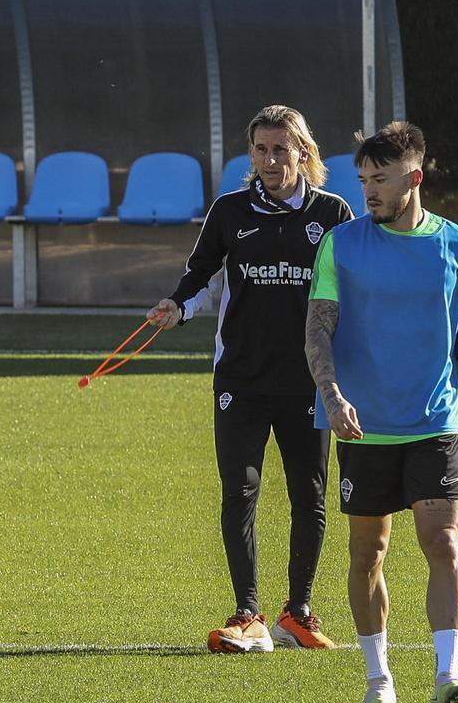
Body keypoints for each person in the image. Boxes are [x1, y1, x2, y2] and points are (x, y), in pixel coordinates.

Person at [304, 121, 458, 703]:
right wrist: (332, 396)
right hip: (363, 426)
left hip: (436, 422)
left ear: (414, 178)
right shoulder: (342, 244)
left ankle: (446, 676)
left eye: (380, 180)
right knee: (368, 552)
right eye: (363, 181)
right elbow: (318, 327)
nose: (370, 192)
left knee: (443, 542)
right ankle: (378, 676)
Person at [147, 105, 353, 653]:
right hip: (240, 377)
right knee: (239, 492)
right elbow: (199, 277)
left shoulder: (333, 214)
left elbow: (352, 291)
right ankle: (247, 613)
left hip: (309, 381)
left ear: (303, 153)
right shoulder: (230, 211)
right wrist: (176, 307)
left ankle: (299, 612)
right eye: (259, 149)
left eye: (279, 149)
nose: (268, 159)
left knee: (309, 497)